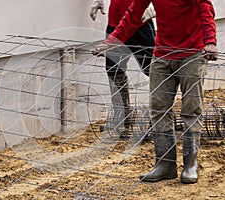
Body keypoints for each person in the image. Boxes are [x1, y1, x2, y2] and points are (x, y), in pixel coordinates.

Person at [93, 0, 218, 183]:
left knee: (191, 110)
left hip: (192, 53)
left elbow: (205, 9)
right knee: (159, 109)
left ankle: (190, 164)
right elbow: (134, 14)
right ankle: (165, 164)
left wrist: (210, 41)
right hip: (162, 54)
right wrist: (113, 40)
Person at [90, 0, 156, 137]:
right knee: (114, 70)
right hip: (116, 23)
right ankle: (123, 116)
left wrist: (156, 7)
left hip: (141, 23)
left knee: (155, 69)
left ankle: (160, 119)